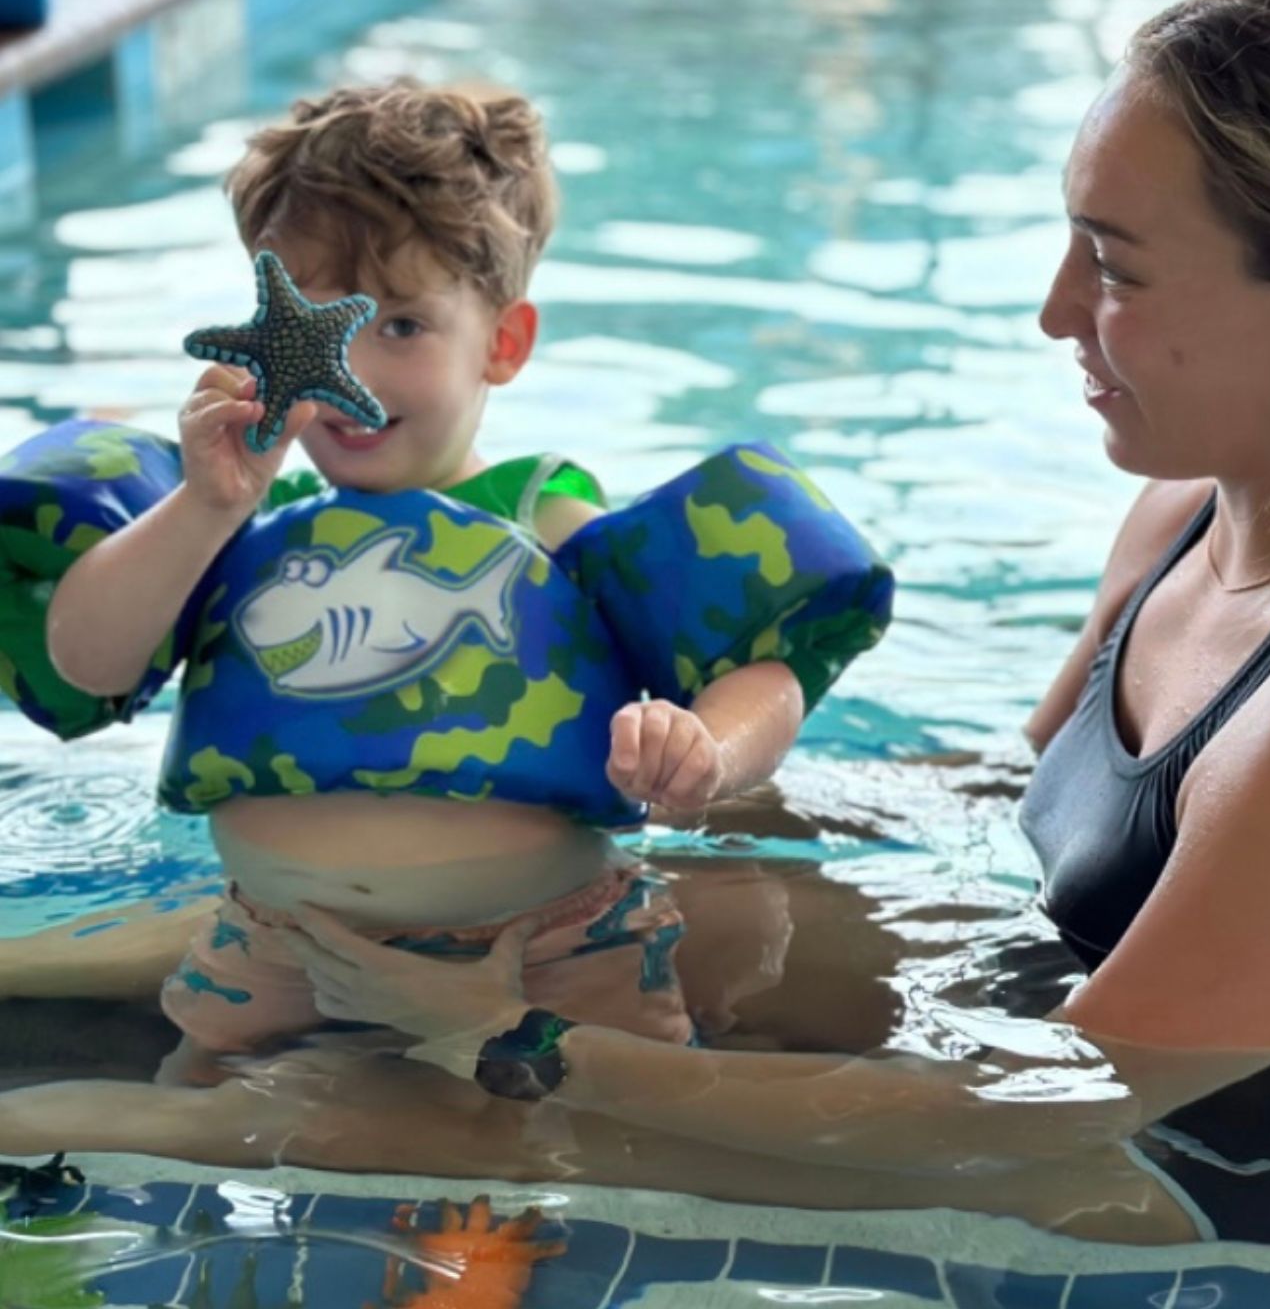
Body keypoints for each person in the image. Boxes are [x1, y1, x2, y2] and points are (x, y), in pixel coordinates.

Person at [0, 0, 1270, 1247]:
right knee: (510, 916)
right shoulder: (1194, 517)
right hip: (1051, 995)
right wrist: (671, 779)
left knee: (344, 1113)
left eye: (1112, 263)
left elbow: (1040, 1105)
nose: (1054, 312)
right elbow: (992, 814)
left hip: (1232, 1183)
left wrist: (499, 1041)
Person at [25, 81, 824, 1077]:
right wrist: (205, 506)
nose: (346, 369)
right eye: (307, 322)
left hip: (549, 941)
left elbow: (765, 670)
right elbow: (88, 659)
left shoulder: (544, 518)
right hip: (274, 934)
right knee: (198, 1097)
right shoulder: (245, 524)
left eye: (398, 325)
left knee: (598, 1117)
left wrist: (702, 744)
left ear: (501, 343)